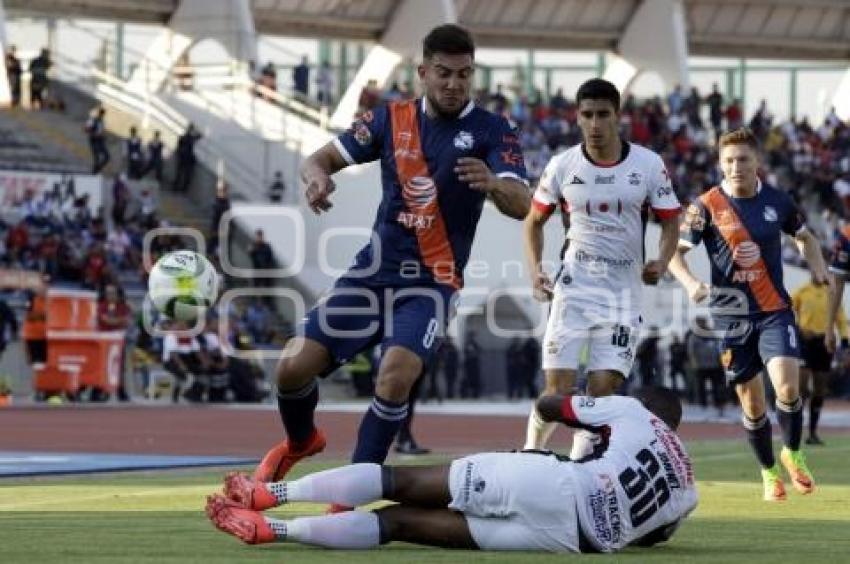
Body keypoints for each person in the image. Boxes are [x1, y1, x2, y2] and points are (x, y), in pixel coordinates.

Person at [252, 24, 529, 508]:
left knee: (395, 376)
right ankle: (301, 443)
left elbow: (522, 203)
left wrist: (492, 183)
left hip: (433, 282)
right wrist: (317, 180)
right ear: (423, 72)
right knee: (291, 369)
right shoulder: (388, 120)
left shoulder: (494, 130)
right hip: (372, 273)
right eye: (443, 73)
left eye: (464, 75)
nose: (453, 84)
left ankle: (350, 496)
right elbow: (317, 160)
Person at [206, 387, 697, 553]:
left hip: (555, 482)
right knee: (398, 522)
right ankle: (276, 531)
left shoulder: (631, 410)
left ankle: (273, 494)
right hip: (569, 543)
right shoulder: (689, 491)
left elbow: (551, 402)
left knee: (401, 482)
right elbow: (650, 538)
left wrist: (532, 446)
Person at [522, 78, 681, 458]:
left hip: (624, 295)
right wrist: (535, 271)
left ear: (618, 117)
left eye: (603, 115)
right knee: (556, 393)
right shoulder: (562, 165)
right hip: (574, 289)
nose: (595, 124)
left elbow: (671, 222)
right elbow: (533, 221)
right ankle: (530, 454)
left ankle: (580, 467)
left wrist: (660, 259)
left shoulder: (648, 165)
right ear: (577, 117)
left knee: (602, 391)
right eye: (587, 115)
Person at [668, 127, 828, 501]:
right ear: (720, 164)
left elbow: (806, 238)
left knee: (788, 387)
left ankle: (793, 453)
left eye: (742, 159)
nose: (735, 167)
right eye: (728, 161)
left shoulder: (779, 201)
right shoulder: (705, 206)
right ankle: (769, 472)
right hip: (732, 317)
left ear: (757, 161)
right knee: (753, 404)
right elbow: (674, 253)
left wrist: (817, 266)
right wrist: (691, 284)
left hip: (774, 310)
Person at [792, 274, 846, 445]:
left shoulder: (831, 293)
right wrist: (796, 329)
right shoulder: (801, 291)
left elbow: (841, 319)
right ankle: (795, 430)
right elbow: (787, 311)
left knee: (820, 389)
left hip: (824, 343)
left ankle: (813, 432)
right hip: (805, 342)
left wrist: (845, 340)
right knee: (801, 387)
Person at [174, 124, 201, 192]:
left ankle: (176, 187)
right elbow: (200, 135)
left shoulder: (183, 137)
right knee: (186, 175)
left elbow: (178, 147)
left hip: (183, 157)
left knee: (180, 174)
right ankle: (183, 189)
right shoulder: (191, 138)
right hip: (188, 158)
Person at [85, 106, 110, 174]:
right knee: (97, 157)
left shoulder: (102, 122)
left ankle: (97, 169)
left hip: (100, 140)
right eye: (101, 114)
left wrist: (104, 136)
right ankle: (95, 171)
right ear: (99, 113)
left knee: (107, 157)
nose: (102, 115)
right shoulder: (92, 120)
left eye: (103, 114)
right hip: (94, 140)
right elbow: (86, 129)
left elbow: (102, 131)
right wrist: (94, 134)